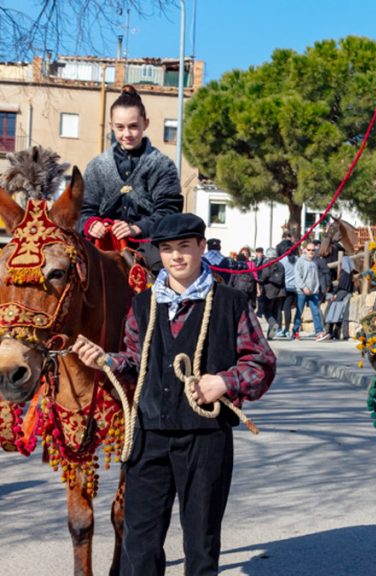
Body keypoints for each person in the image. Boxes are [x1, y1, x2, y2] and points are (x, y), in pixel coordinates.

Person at [71, 213, 275, 576]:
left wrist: (225, 382)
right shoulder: (142, 306)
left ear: (201, 247)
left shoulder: (230, 303)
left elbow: (261, 362)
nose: (176, 256)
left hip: (206, 438)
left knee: (201, 542)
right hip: (149, 436)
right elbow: (136, 363)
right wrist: (105, 360)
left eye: (184, 247)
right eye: (167, 249)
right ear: (158, 254)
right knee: (139, 541)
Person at [78, 84, 183, 270]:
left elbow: (169, 211)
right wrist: (91, 224)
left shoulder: (162, 165)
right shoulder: (97, 166)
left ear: (146, 123)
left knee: (161, 267)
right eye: (120, 127)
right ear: (111, 126)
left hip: (148, 245)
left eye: (133, 127)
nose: (126, 134)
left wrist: (136, 228)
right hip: (101, 245)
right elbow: (82, 210)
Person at [292, 241, 328, 342]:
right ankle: (295, 332)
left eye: (313, 250)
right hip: (302, 292)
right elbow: (297, 276)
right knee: (299, 312)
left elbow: (316, 277)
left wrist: (316, 288)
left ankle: (319, 332)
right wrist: (304, 287)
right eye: (309, 250)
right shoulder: (300, 261)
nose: (311, 252)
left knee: (316, 312)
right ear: (304, 250)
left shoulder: (314, 262)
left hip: (313, 292)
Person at [324, 247, 355, 341]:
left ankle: (330, 332)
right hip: (346, 294)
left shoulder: (345, 274)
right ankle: (336, 333)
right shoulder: (351, 274)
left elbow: (341, 286)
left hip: (341, 294)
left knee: (334, 313)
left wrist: (335, 294)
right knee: (340, 314)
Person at [258, 248, 286, 340]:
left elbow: (264, 276)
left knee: (267, 311)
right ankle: (270, 334)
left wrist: (260, 281)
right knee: (275, 312)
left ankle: (272, 324)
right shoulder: (281, 265)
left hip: (269, 291)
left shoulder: (267, 263)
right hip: (280, 292)